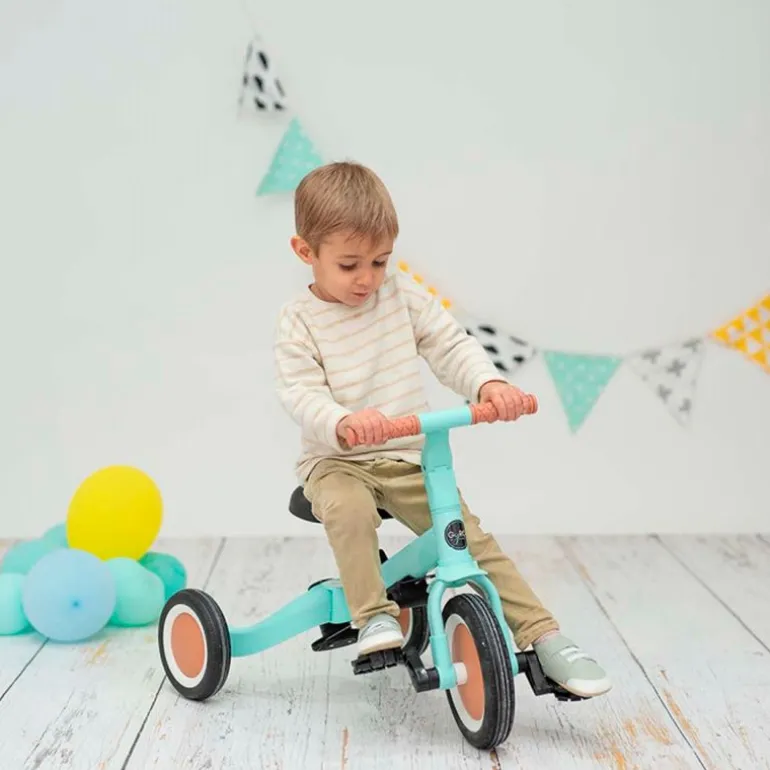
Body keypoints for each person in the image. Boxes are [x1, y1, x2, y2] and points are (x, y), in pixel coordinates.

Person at [273, 161, 611, 698]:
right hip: (336, 460)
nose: (367, 278)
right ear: (305, 252)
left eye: (380, 261)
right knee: (349, 509)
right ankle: (372, 615)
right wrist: (343, 421)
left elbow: (448, 344)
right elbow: (299, 392)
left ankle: (544, 635)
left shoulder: (400, 296)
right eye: (349, 264)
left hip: (405, 456)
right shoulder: (299, 320)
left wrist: (487, 385)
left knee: (467, 537)